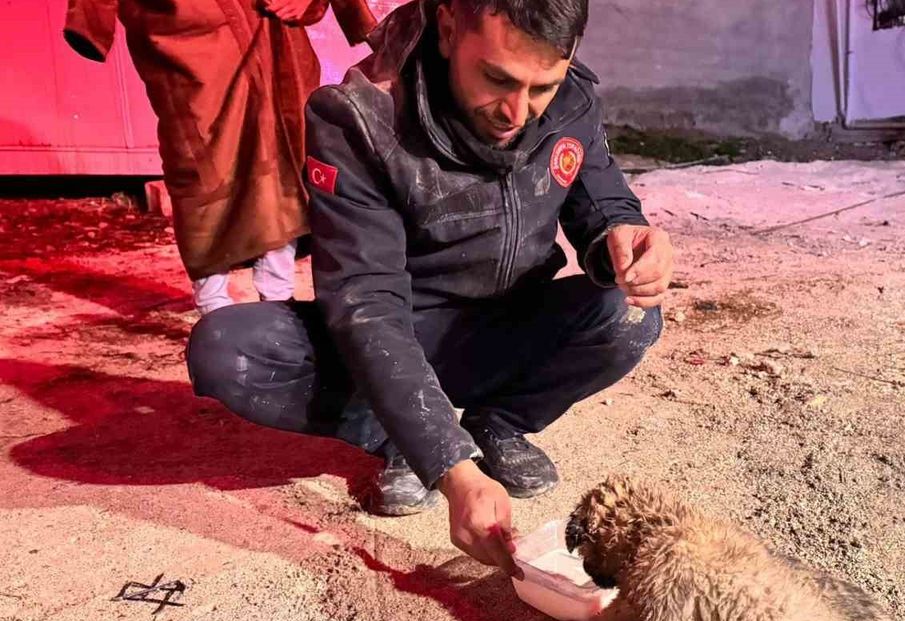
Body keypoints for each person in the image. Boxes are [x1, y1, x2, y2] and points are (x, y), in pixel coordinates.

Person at [185, 0, 675, 576]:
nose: (517, 111)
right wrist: (450, 468)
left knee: (628, 313)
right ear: (446, 29)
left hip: (506, 329)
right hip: (397, 335)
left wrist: (625, 236)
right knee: (228, 349)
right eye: (497, 78)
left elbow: (603, 200)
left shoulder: (570, 99)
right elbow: (366, 302)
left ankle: (499, 423)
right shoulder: (361, 119)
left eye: (542, 86)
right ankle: (399, 436)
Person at [63, 0, 378, 315]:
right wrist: (91, 22)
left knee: (280, 155)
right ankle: (214, 307)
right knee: (201, 164)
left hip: (270, 30)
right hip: (187, 39)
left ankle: (278, 299)